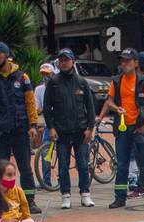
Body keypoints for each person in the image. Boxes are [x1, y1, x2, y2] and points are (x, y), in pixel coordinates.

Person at [0, 42, 42, 213]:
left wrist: (33, 125)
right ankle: (1, 202)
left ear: (6, 55)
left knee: (25, 167)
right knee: (0, 167)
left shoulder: (22, 77)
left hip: (20, 130)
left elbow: (30, 103)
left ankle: (30, 200)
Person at [100, 49, 144, 209]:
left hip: (140, 128)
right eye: (122, 61)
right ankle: (120, 197)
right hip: (122, 128)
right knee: (122, 164)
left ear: (135, 63)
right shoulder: (117, 81)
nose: (124, 64)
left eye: (127, 61)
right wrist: (116, 108)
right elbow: (109, 101)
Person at [41, 48, 99, 209]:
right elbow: (47, 108)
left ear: (72, 61)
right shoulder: (53, 82)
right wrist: (51, 128)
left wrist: (90, 128)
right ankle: (65, 195)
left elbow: (90, 107)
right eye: (61, 60)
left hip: (80, 131)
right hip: (62, 132)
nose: (64, 62)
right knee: (63, 165)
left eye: (66, 59)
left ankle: (85, 194)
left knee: (82, 164)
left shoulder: (81, 81)